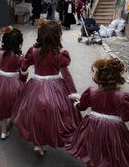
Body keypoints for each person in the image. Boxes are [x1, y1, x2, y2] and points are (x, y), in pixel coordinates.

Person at [11, 20, 81, 156]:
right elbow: (66, 76)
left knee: (35, 116)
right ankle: (48, 138)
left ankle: (38, 144)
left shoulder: (33, 50)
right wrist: (73, 94)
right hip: (55, 88)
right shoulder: (61, 53)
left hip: (35, 86)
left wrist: (23, 78)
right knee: (54, 117)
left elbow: (24, 67)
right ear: (57, 36)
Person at [66, 58, 129, 167]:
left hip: (92, 127)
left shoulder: (91, 91)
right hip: (114, 131)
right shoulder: (124, 97)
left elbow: (82, 107)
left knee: (92, 153)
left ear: (99, 76)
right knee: (111, 154)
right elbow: (127, 117)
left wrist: (76, 104)